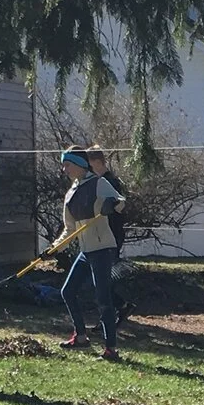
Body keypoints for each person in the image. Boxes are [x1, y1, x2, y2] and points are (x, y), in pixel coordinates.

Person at [58, 148, 126, 359]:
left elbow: (121, 202)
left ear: (80, 164)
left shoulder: (98, 183)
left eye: (68, 164)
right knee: (67, 291)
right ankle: (80, 337)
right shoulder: (71, 194)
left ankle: (111, 349)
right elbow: (69, 230)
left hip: (102, 249)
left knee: (103, 298)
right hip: (86, 251)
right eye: (64, 165)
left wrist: (111, 204)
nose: (64, 169)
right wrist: (53, 249)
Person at [85, 148, 131, 249]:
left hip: (111, 235)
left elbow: (121, 206)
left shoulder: (110, 182)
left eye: (89, 166)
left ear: (98, 163)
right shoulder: (94, 182)